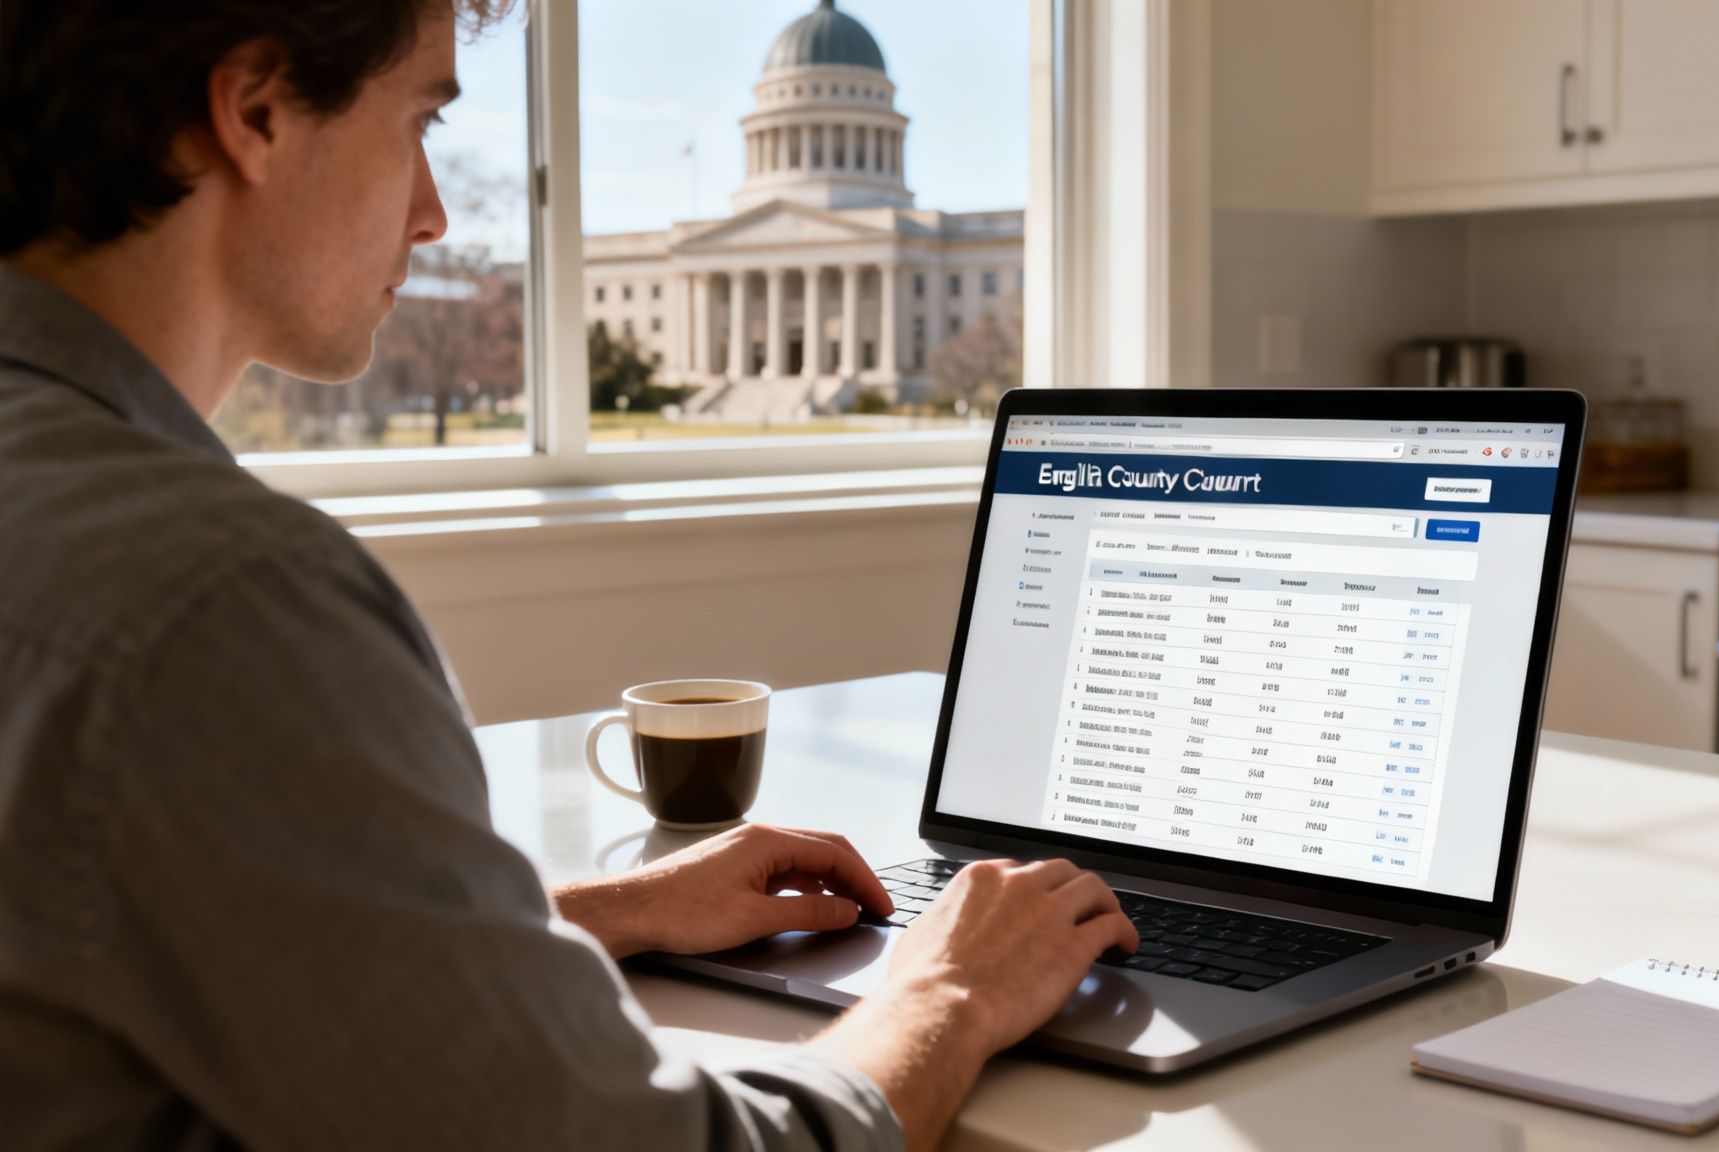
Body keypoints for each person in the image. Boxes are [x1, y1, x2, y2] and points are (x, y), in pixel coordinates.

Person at [0, 3, 1138, 1150]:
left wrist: (610, 908)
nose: (436, 212)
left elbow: (176, 931)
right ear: (251, 113)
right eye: (418, 121)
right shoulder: (220, 605)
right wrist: (947, 991)